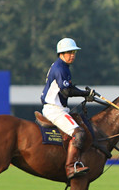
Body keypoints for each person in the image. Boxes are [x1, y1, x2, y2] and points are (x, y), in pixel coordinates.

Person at [41, 38, 98, 180]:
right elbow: (66, 92)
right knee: (78, 133)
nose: (72, 55)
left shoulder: (63, 66)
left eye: (73, 52)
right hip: (55, 109)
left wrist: (86, 94)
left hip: (59, 108)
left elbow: (70, 88)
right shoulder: (60, 68)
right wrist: (84, 94)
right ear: (61, 53)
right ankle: (71, 167)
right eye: (68, 52)